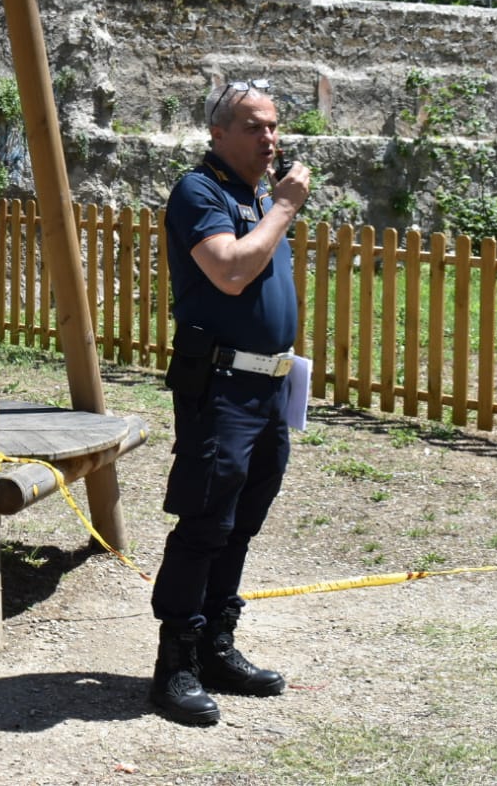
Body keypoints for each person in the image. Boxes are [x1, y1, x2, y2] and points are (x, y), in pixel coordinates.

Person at [150, 79, 312, 726]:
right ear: (216, 132)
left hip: (268, 389)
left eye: (272, 127)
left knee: (241, 524)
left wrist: (271, 208)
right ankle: (175, 667)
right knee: (204, 524)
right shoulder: (201, 191)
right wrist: (283, 209)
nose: (267, 138)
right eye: (252, 126)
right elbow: (229, 269)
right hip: (219, 389)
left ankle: (217, 646)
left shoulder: (252, 196)